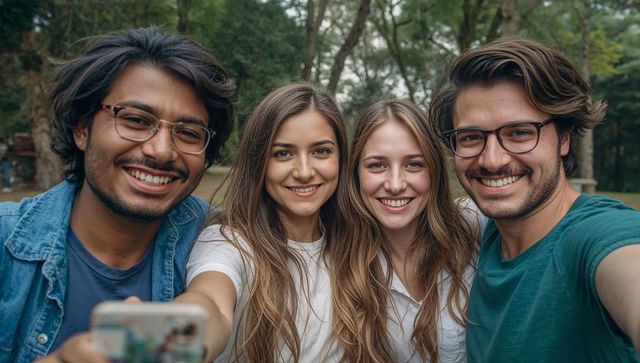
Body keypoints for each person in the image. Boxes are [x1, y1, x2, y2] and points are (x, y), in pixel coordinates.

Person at [0, 26, 235, 363]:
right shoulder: (7, 244)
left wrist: (139, 342)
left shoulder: (214, 236)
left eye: (187, 133)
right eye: (137, 120)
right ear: (82, 129)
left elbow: (215, 312)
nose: (162, 151)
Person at [430, 38, 640, 362]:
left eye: (519, 132)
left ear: (564, 138)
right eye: (471, 137)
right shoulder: (481, 233)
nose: (492, 160)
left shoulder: (595, 236)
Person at [174, 82, 351, 362]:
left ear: (341, 158)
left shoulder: (355, 243)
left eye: (321, 151)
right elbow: (212, 305)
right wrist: (166, 340)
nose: (304, 172)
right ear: (259, 162)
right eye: (283, 153)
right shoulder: (227, 242)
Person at [331, 99, 485, 362]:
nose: (395, 184)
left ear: (434, 171)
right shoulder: (337, 260)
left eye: (413, 164)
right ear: (355, 174)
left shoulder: (475, 225)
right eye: (376, 165)